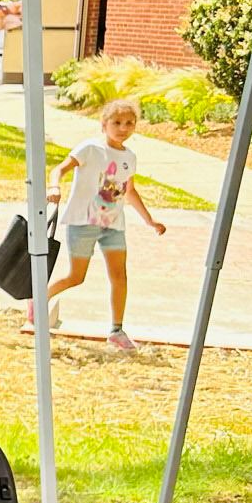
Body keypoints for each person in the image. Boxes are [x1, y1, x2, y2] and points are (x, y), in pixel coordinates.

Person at [35, 97, 166, 350]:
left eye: (129, 123)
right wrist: (54, 186)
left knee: (120, 277)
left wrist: (149, 220)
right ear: (103, 123)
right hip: (83, 222)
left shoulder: (130, 156)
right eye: (117, 122)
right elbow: (59, 170)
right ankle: (39, 301)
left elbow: (129, 191)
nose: (123, 128)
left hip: (113, 225)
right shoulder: (90, 149)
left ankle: (117, 330)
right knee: (76, 276)